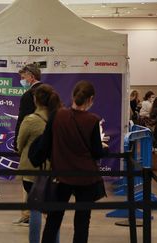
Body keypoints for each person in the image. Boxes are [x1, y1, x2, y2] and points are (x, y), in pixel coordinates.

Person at [41, 81, 108, 243]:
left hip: (61, 176)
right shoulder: (92, 120)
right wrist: (105, 148)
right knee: (82, 222)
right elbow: (97, 153)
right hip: (86, 178)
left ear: (73, 96)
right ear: (91, 99)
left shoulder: (57, 116)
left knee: (53, 220)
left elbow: (47, 143)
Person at [17, 84, 61, 243]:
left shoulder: (30, 120)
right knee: (53, 213)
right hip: (54, 170)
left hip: (31, 170)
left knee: (35, 210)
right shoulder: (59, 118)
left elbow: (19, 144)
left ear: (35, 100)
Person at [13, 63, 43, 225]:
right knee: (43, 180)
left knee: (28, 181)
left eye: (23, 77)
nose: (21, 80)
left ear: (31, 76)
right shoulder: (50, 92)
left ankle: (29, 215)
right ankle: (34, 214)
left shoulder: (28, 95)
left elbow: (22, 121)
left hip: (30, 146)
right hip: (47, 145)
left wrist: (18, 143)